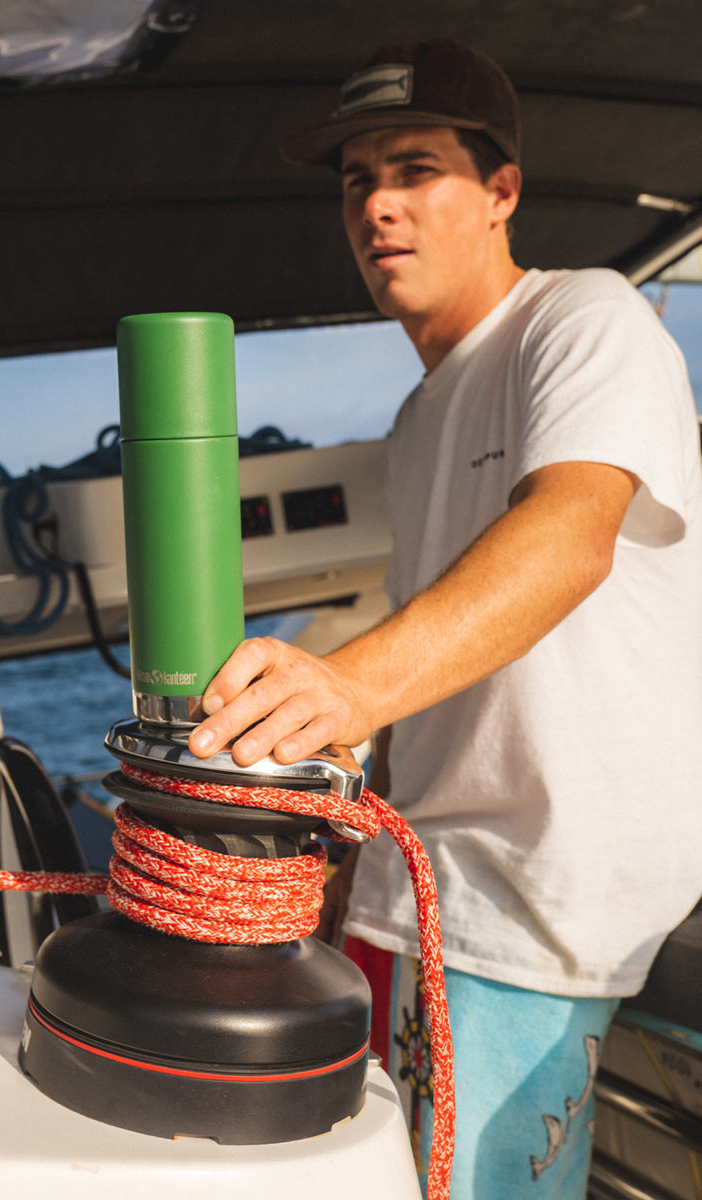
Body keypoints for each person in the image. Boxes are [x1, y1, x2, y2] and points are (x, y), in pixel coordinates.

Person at [187, 39, 702, 1198]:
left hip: (543, 894)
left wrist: (344, 690)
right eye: (356, 181)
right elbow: (450, 643)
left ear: (501, 191)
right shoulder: (420, 414)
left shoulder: (585, 317)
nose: (378, 206)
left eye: (415, 169)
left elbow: (570, 533)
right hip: (429, 881)